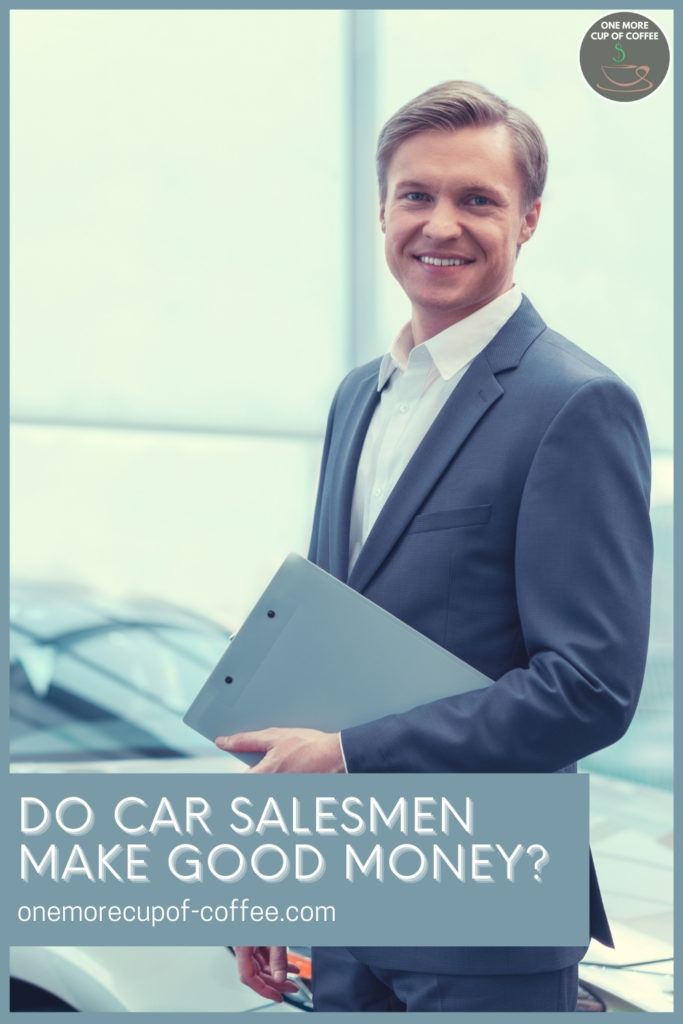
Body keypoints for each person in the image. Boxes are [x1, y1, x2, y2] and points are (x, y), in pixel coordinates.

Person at [215, 81, 653, 1012]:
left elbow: (589, 690)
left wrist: (350, 754)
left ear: (529, 219)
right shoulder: (355, 399)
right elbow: (320, 655)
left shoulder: (574, 405)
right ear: (381, 209)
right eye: (416, 195)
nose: (439, 224)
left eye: (477, 199)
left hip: (485, 916)